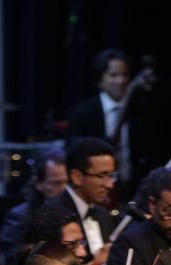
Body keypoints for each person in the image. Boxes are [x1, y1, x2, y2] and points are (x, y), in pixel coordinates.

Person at [65, 48, 161, 187]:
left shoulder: (141, 110)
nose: (120, 81)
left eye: (124, 75)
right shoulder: (82, 112)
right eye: (113, 75)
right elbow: (75, 152)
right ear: (100, 79)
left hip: (133, 187)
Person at [46, 137, 119, 265]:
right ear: (77, 177)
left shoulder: (103, 215)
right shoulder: (53, 216)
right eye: (102, 176)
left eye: (112, 175)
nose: (110, 185)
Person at [0, 149, 69, 265]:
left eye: (68, 183)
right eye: (56, 183)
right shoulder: (19, 217)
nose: (64, 190)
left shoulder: (75, 212)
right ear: (38, 184)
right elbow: (14, 262)